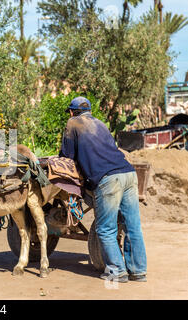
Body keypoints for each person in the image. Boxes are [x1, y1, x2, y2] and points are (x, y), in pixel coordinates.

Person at [59, 96, 147, 282]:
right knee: (132, 226)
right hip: (129, 174)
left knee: (105, 229)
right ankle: (138, 272)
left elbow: (66, 156)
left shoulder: (73, 123)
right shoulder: (100, 123)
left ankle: (117, 272)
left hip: (108, 179)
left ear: (73, 111)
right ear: (89, 110)